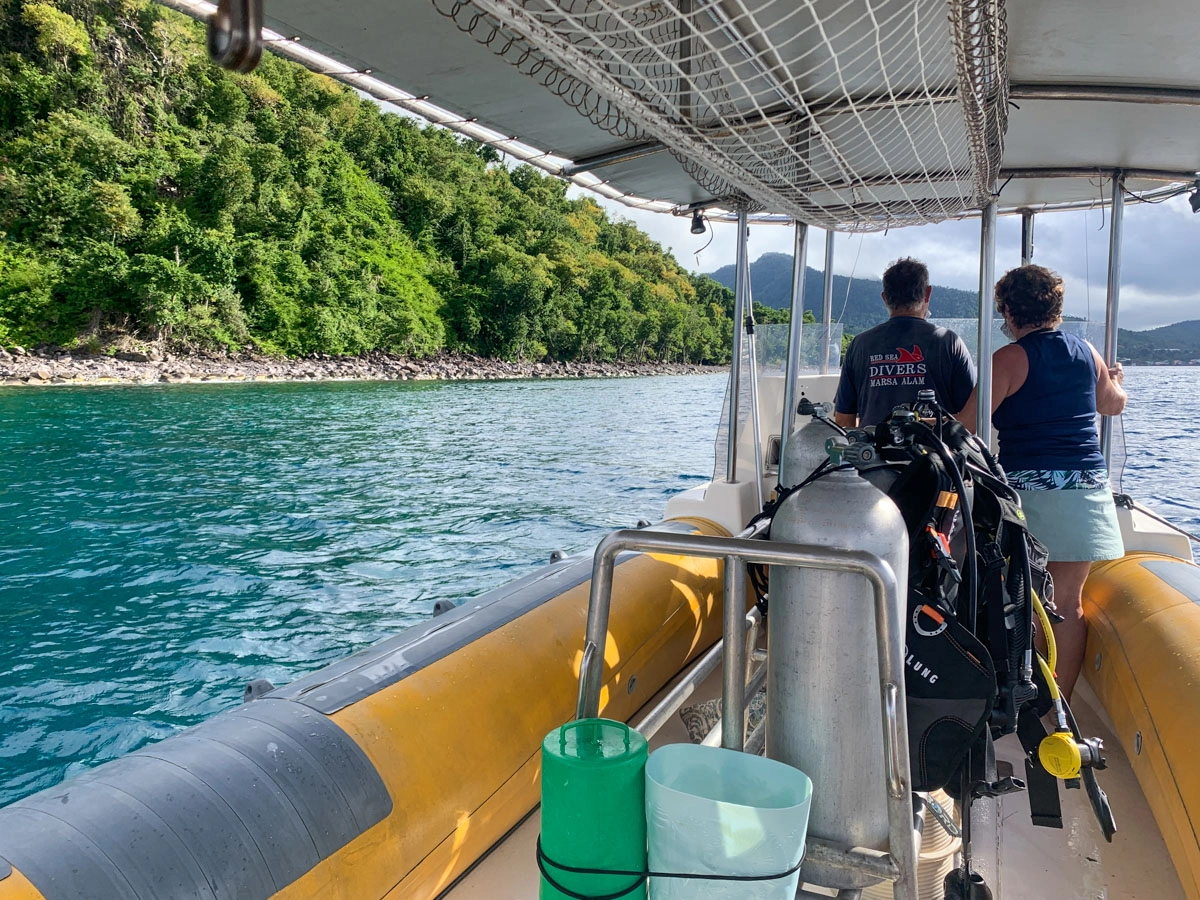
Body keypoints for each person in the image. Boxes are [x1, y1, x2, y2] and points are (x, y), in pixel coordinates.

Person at [956, 264, 1127, 701]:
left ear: (1010, 311)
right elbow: (1112, 405)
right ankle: (1059, 711)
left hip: (1033, 494)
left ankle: (1024, 701)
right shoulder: (1088, 352)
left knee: (1028, 602)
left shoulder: (1010, 359)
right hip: (1087, 490)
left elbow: (967, 427)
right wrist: (1116, 379)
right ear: (1055, 308)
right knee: (1068, 605)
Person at [833, 257, 976, 428]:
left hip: (872, 453)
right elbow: (971, 419)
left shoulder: (860, 345)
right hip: (936, 452)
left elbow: (843, 420)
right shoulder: (949, 343)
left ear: (885, 298)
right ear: (927, 293)